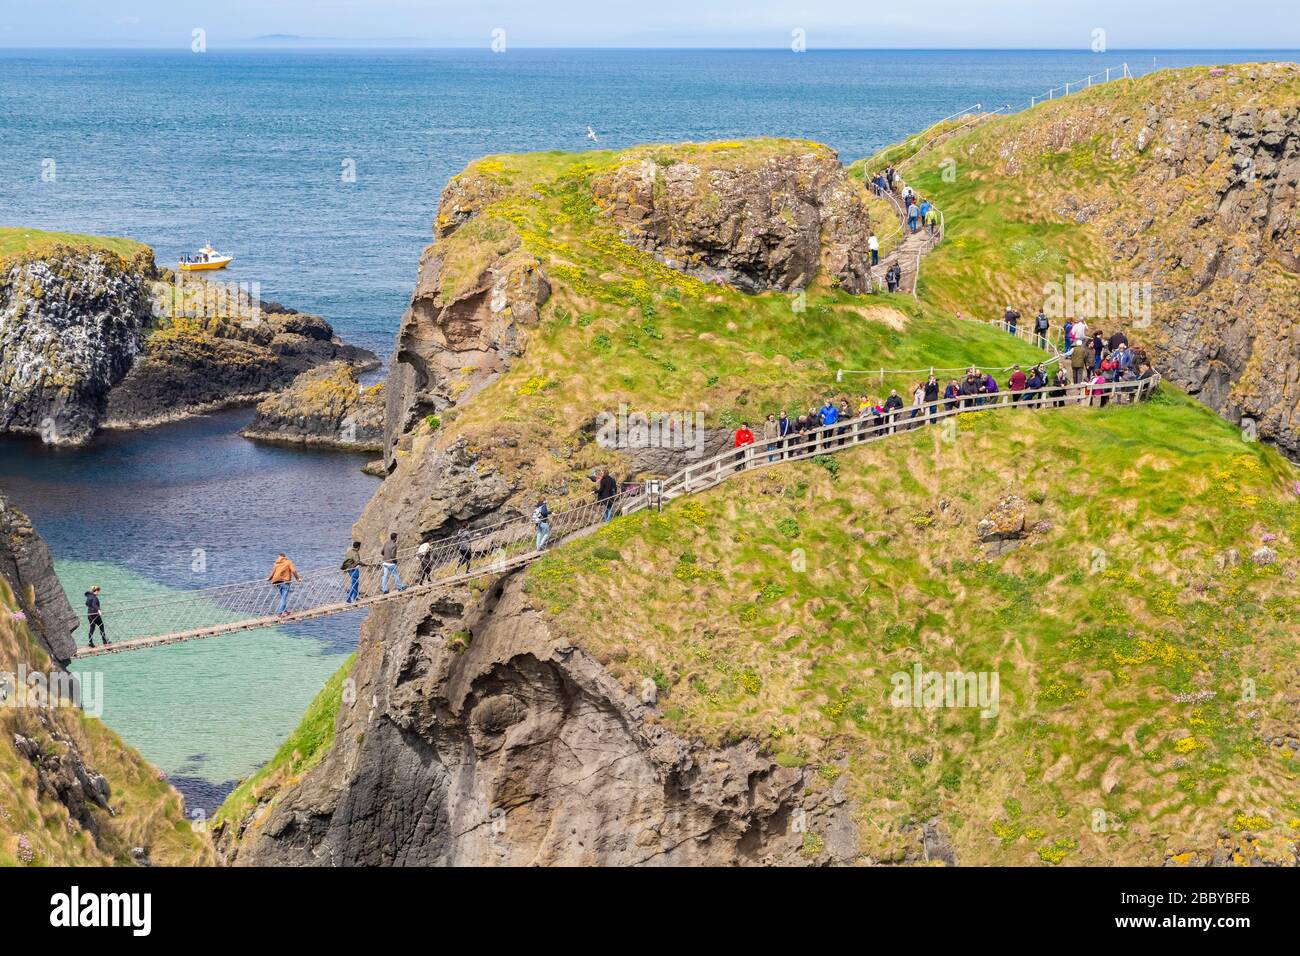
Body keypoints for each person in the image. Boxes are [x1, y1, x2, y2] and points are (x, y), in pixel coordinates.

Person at [267, 552, 301, 617]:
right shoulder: (288, 562)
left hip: (276, 581)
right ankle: (280, 613)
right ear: (285, 557)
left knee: (283, 597)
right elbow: (293, 571)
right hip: (285, 581)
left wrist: (269, 578)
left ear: (279, 557)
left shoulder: (276, 563)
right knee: (284, 597)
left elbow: (273, 572)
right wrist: (298, 578)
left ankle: (284, 610)